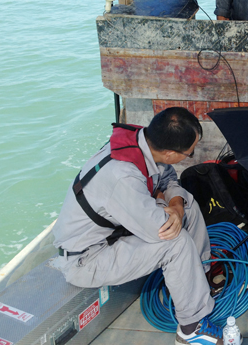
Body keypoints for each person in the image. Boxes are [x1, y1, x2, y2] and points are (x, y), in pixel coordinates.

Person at [53, 108, 228, 345]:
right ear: (169, 153)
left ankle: (200, 279)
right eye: (190, 153)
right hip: (87, 258)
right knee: (175, 243)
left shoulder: (141, 143)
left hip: (115, 235)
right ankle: (191, 329)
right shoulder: (122, 175)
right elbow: (159, 230)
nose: (191, 155)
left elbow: (168, 179)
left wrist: (176, 204)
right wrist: (164, 204)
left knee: (188, 206)